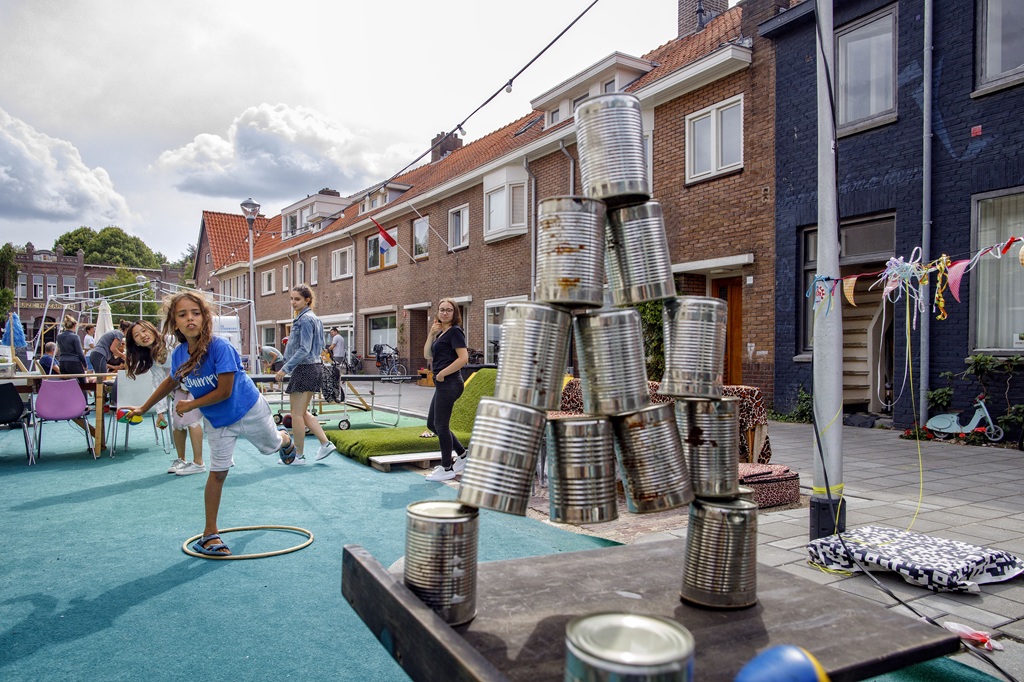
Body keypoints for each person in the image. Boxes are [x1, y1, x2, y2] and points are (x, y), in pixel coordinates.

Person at [126, 291, 296, 556]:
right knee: (217, 472)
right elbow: (170, 381)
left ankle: (285, 439)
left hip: (248, 410)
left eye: (195, 313)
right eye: (182, 315)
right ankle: (210, 535)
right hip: (218, 422)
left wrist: (190, 404)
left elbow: (225, 391)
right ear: (174, 322)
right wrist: (143, 407)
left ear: (205, 317)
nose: (190, 319)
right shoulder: (179, 354)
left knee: (272, 445)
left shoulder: (221, 348)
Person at [125, 320, 205, 476]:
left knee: (191, 420)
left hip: (197, 382)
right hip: (179, 388)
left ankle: (198, 463)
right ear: (135, 343)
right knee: (177, 423)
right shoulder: (150, 358)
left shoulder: (170, 340)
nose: (143, 335)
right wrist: (160, 412)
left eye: (144, 330)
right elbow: (159, 383)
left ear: (152, 329)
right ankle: (181, 460)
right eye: (137, 335)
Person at [274, 284, 337, 465]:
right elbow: (317, 347)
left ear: (307, 300)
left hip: (305, 368)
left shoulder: (304, 320)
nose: (293, 302)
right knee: (302, 413)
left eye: (297, 299)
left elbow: (304, 349)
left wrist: (285, 368)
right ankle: (325, 443)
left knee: (296, 414)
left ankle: (299, 456)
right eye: (291, 299)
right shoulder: (314, 318)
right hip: (313, 367)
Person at [422, 298, 470, 481]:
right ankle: (462, 455)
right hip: (443, 383)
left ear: (454, 313)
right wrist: (431, 334)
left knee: (441, 424)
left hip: (450, 383)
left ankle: (447, 468)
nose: (445, 313)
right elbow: (427, 354)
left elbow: (463, 358)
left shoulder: (455, 331)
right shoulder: (442, 333)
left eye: (449, 310)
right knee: (432, 424)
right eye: (442, 309)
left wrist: (442, 373)